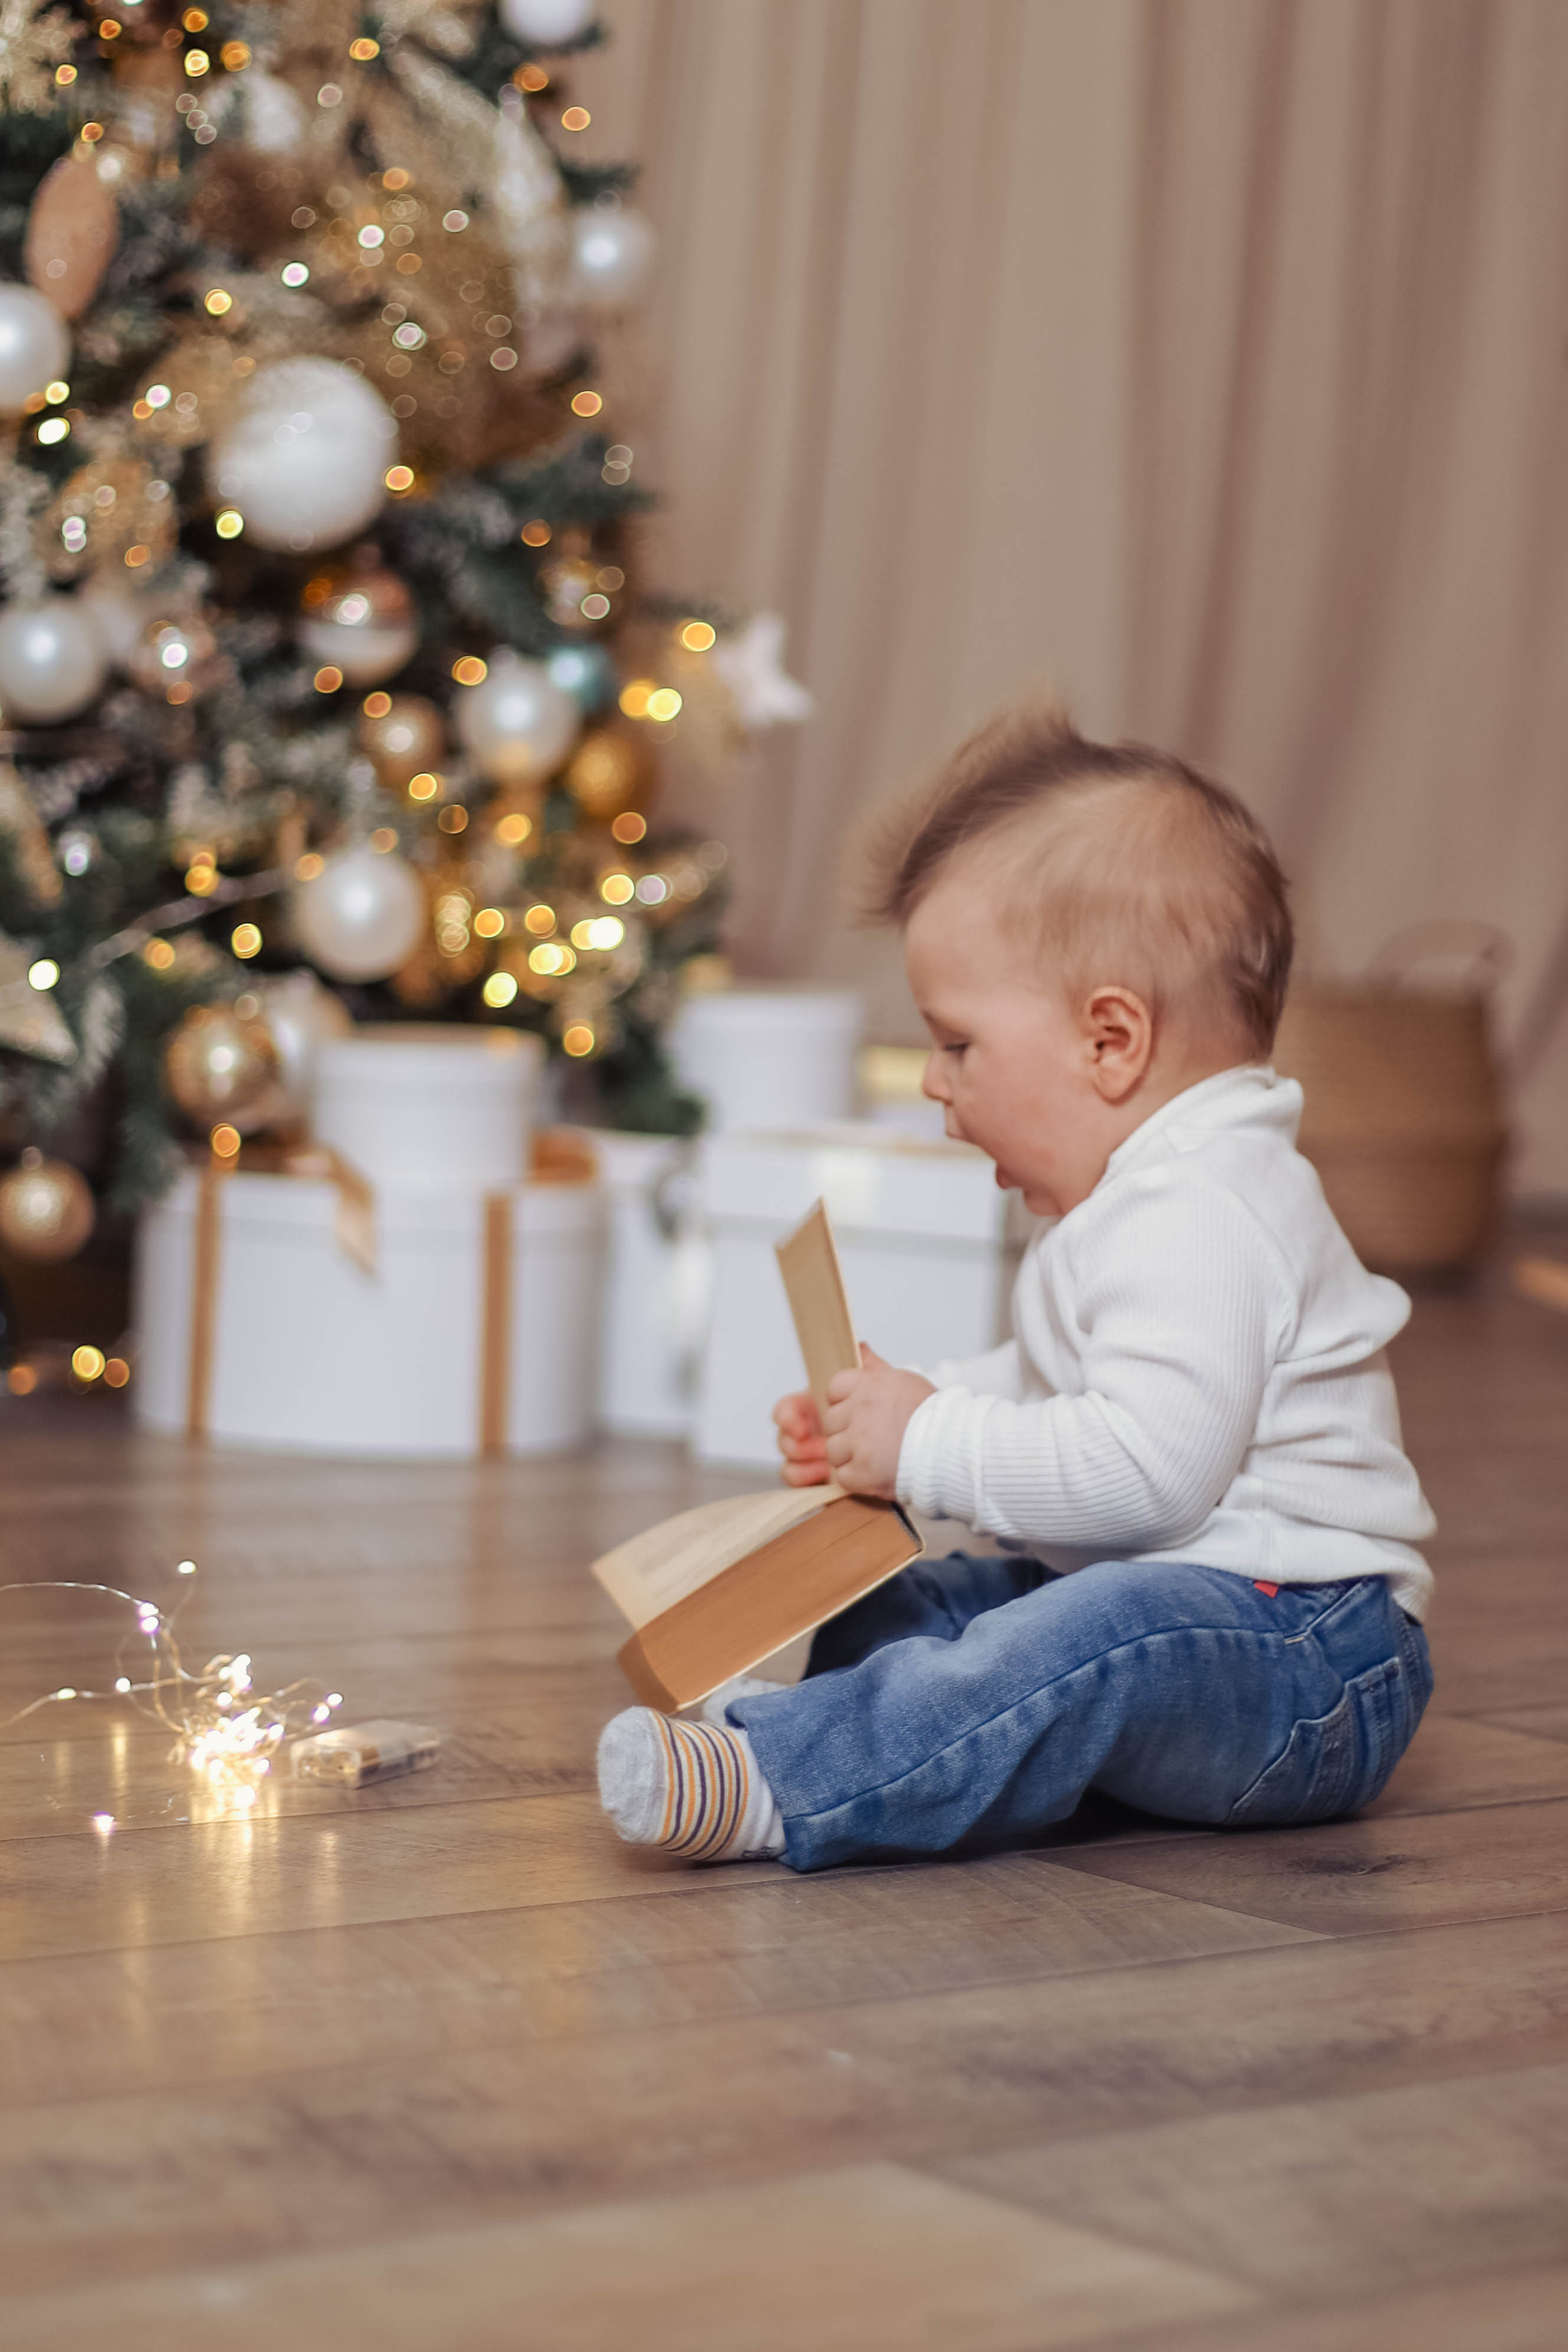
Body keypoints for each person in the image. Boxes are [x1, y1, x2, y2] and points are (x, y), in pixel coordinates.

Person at [597, 702, 1436, 1869]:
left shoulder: (1203, 1208)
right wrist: (910, 1405)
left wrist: (932, 1443)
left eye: (957, 1043)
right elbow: (1061, 1381)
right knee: (920, 1606)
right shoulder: (1125, 1194)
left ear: (1111, 1042)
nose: (936, 1085)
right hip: (1199, 1619)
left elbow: (1150, 1474)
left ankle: (786, 1781)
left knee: (1094, 1630)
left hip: (1309, 1660)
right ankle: (916, 1745)